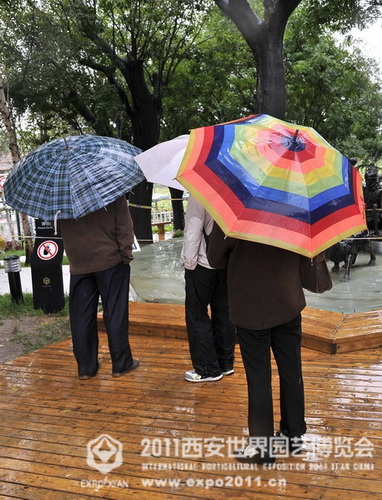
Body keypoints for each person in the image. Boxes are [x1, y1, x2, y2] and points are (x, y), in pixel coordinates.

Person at [207, 223, 307, 463]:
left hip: (251, 309)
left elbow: (214, 258)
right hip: (288, 302)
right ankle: (292, 436)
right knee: (291, 371)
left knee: (259, 378)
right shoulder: (295, 210)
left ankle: (262, 449)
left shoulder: (233, 216)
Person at [59, 195, 139, 380]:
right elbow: (124, 226)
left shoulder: (62, 194)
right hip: (110, 260)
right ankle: (121, 363)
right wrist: (125, 255)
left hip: (79, 263)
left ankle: (86, 368)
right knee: (115, 312)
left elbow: (62, 230)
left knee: (81, 316)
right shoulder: (110, 190)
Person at [180, 196, 235, 383]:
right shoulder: (235, 189)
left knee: (197, 315)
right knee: (224, 313)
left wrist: (188, 262)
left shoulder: (201, 191)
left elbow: (194, 228)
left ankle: (207, 369)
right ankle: (226, 364)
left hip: (203, 264)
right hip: (225, 263)